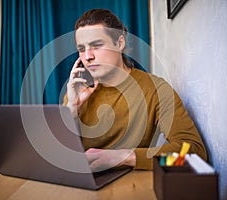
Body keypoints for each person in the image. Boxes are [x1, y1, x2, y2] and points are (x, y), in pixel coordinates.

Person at [63, 8, 207, 171]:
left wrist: (127, 157)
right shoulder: (77, 92)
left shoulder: (156, 90)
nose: (88, 56)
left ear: (119, 43)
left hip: (132, 185)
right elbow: (60, 156)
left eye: (96, 45)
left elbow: (195, 156)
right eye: (81, 49)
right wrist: (72, 110)